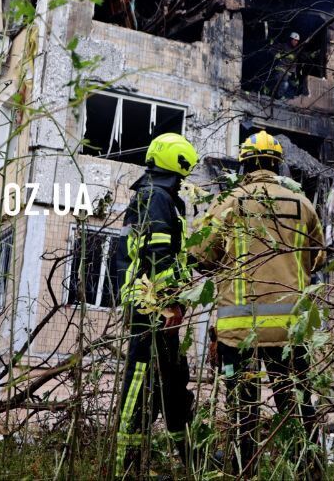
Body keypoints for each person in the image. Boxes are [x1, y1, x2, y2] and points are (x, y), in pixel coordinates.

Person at [193, 130, 325, 475]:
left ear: (244, 164)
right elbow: (318, 259)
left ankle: (244, 469)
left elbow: (200, 254)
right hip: (290, 331)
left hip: (240, 332)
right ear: (278, 164)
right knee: (297, 408)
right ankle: (309, 469)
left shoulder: (230, 201)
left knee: (243, 411)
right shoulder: (302, 203)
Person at [113, 132, 199, 479]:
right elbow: (159, 256)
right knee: (140, 380)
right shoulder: (157, 197)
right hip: (152, 308)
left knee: (173, 381)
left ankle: (191, 457)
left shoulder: (150, 195)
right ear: (173, 168)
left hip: (154, 306)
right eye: (181, 175)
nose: (182, 183)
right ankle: (126, 467)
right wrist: (171, 306)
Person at [267, 32, 304, 99]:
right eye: (294, 40)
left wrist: (295, 76)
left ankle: (278, 97)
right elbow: (271, 49)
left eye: (297, 41)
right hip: (280, 70)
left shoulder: (296, 52)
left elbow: (296, 65)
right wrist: (276, 54)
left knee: (295, 87)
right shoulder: (284, 46)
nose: (296, 42)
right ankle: (275, 96)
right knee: (284, 84)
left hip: (289, 74)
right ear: (290, 39)